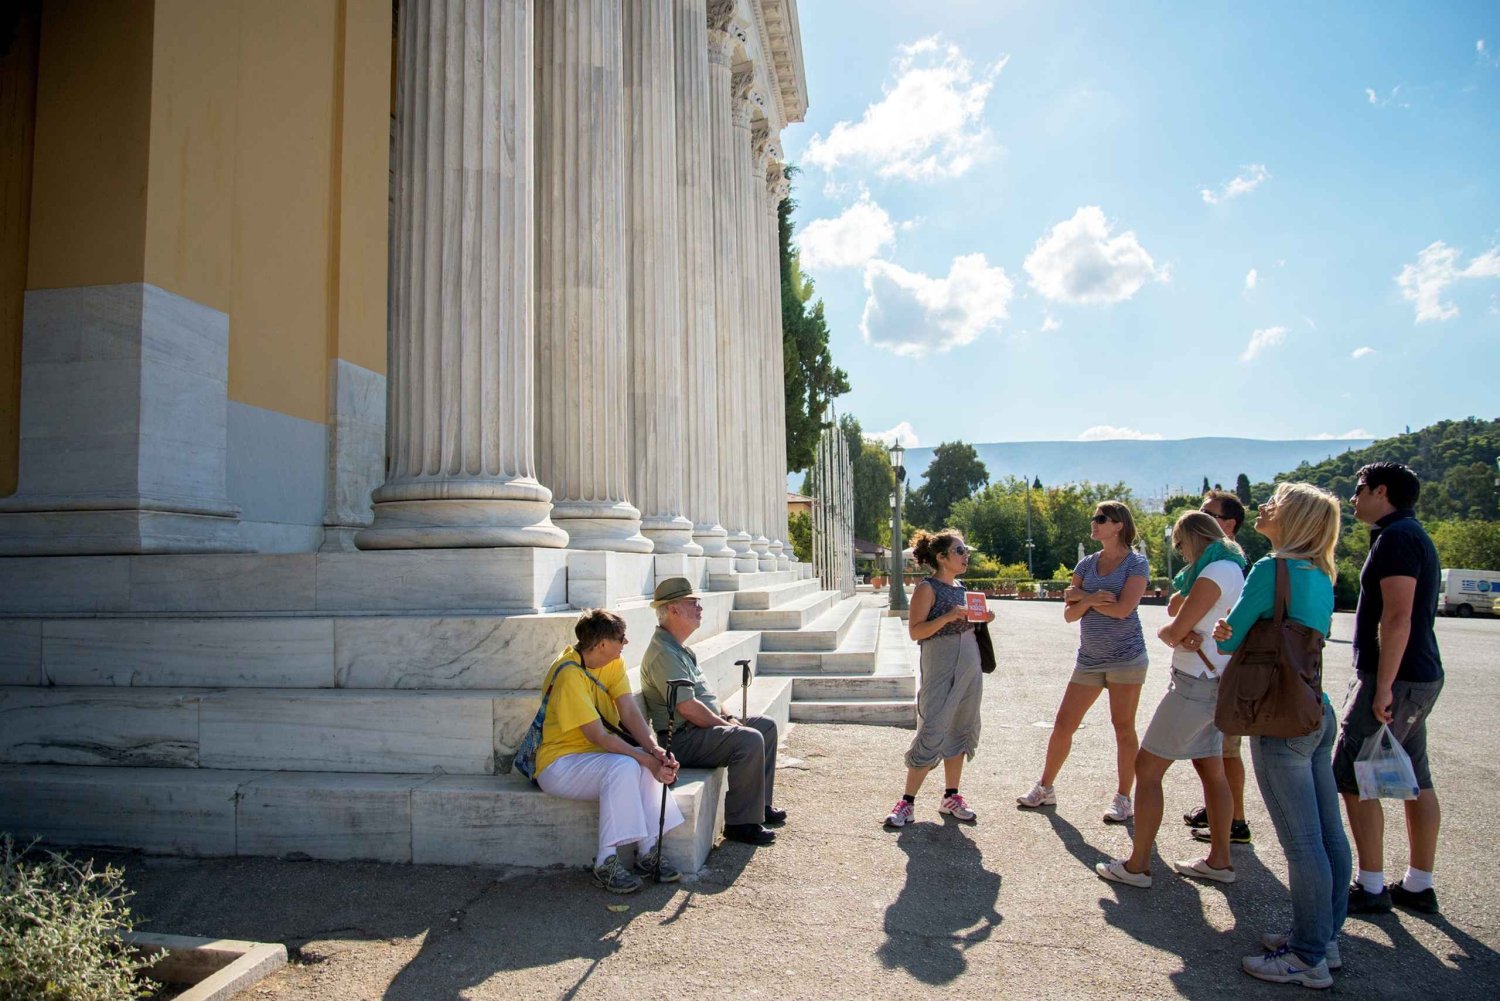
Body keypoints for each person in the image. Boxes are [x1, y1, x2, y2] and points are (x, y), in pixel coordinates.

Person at [1213, 482, 1349, 989]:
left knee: (1302, 843)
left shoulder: (1272, 569)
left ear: (1292, 519)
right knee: (1328, 834)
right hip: (1314, 708)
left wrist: (1224, 630)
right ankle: (1324, 938)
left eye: (1275, 503)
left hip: (1278, 715)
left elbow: (1231, 637)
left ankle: (1307, 956)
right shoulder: (1321, 573)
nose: (1264, 507)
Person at [1096, 510, 1245, 889]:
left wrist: (1172, 632)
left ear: (1193, 539)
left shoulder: (1213, 573)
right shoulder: (1232, 568)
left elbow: (1173, 630)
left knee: (1147, 769)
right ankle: (1220, 860)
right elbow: (1183, 612)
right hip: (1218, 679)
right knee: (1212, 770)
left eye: (1180, 545)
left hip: (1196, 683)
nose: (1180, 553)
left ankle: (1138, 865)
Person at [1335, 462, 1444, 915]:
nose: (1353, 498)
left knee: (1352, 774)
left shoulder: (1396, 538)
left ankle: (1371, 886)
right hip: (1418, 675)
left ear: (1381, 491)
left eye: (1359, 489)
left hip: (1396, 678)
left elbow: (1397, 617)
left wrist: (1382, 687)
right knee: (1415, 777)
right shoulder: (1408, 533)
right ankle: (1418, 885)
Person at [534, 609, 683, 895]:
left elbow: (628, 710)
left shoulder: (612, 662)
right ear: (602, 644)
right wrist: (646, 758)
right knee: (626, 765)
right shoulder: (568, 674)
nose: (626, 642)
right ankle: (605, 863)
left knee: (640, 760)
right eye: (621, 638)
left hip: (595, 757)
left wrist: (654, 750)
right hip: (559, 765)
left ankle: (648, 851)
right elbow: (599, 737)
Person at [1018, 500, 1149, 822]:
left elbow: (1123, 609)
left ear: (1119, 525)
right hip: (1089, 659)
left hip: (1126, 657)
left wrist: (1083, 599)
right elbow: (1069, 613)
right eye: (1094, 518)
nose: (1094, 522)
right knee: (1064, 724)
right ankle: (1045, 787)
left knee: (1123, 728)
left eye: (1101, 518)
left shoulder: (1136, 563)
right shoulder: (1087, 564)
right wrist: (1091, 598)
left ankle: (1123, 798)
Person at [641, 576, 785, 847]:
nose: (700, 608)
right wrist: (728, 726)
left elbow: (709, 697)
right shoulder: (663, 653)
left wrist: (728, 717)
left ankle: (759, 807)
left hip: (701, 729)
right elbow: (688, 708)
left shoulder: (679, 648)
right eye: (692, 603)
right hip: (682, 739)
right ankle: (740, 824)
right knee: (749, 738)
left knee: (765, 726)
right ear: (672, 609)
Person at [883, 529, 995, 827]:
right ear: (942, 557)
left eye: (965, 550)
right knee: (933, 725)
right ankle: (907, 802)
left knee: (962, 725)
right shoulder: (927, 588)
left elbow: (969, 623)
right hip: (941, 664)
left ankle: (951, 796)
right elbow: (915, 631)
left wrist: (983, 618)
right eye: (960, 551)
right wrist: (947, 616)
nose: (965, 555)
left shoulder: (962, 587)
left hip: (969, 663)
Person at [1184, 490, 1255, 846]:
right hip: (1211, 667)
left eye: (1209, 514)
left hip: (1223, 671)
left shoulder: (1231, 566)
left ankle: (1236, 820)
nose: (1200, 518)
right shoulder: (1212, 562)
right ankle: (1220, 810)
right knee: (1211, 750)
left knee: (1226, 750)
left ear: (1229, 525)